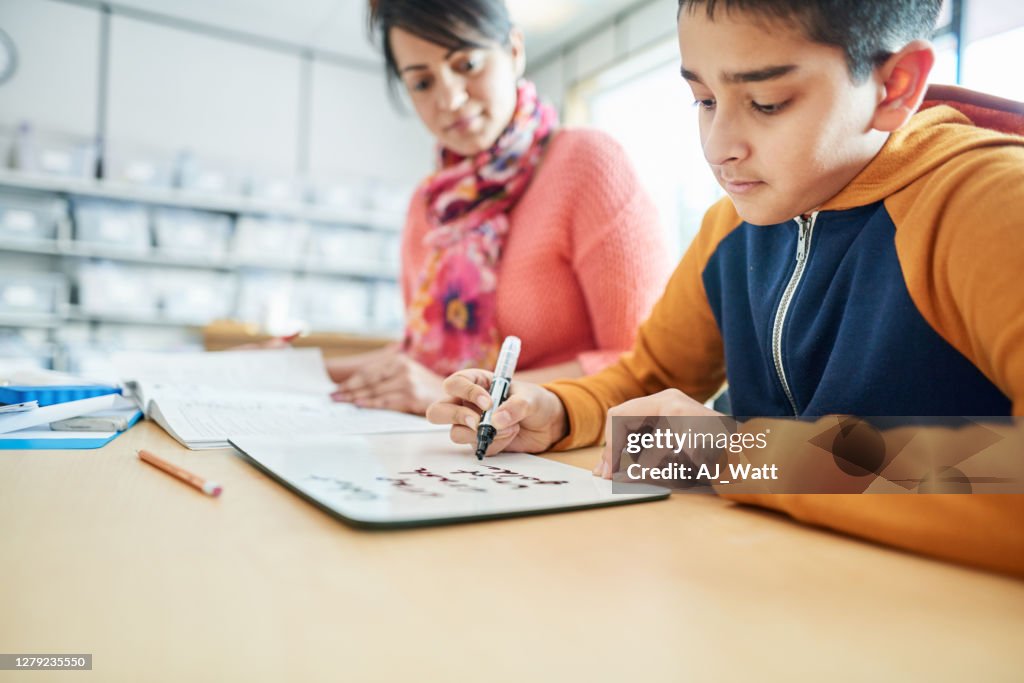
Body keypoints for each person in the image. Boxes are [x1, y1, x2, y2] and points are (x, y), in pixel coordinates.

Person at [428, 0, 1024, 577]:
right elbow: (650, 378)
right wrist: (556, 412)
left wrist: (741, 454)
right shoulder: (731, 225)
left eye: (766, 102)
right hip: (768, 586)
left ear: (894, 86)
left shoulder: (988, 205)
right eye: (705, 99)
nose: (718, 148)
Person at [327, 0, 672, 414]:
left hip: (573, 453)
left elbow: (645, 368)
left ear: (513, 50)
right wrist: (299, 369)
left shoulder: (589, 164)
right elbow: (418, 354)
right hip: (453, 447)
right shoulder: (430, 205)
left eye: (467, 64)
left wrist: (456, 391)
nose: (450, 99)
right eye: (422, 83)